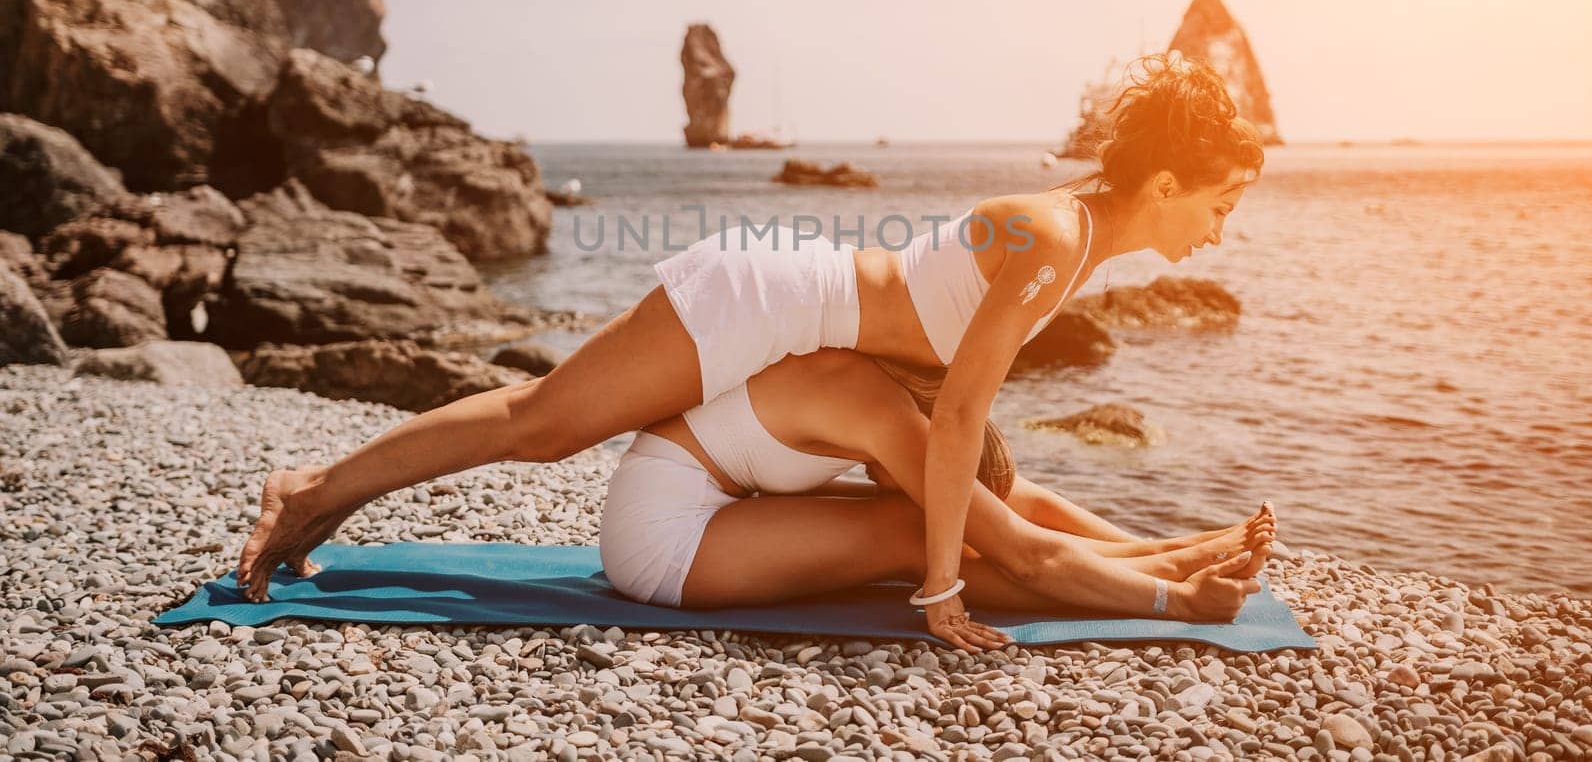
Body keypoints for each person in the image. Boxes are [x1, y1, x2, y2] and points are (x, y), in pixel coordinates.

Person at [237, 50, 1265, 652]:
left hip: (787, 302)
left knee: (542, 419)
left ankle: (323, 492)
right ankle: (314, 483)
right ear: (1167, 184)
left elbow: (956, 405)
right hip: (764, 304)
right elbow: (957, 414)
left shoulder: (1064, 231)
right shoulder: (1053, 238)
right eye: (1221, 203)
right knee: (543, 420)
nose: (1220, 228)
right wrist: (941, 580)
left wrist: (1156, 555)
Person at [600, 347, 1275, 642]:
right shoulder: (883, 413)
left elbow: (1003, 503)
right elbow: (1025, 555)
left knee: (961, 508)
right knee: (914, 531)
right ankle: (1162, 566)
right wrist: (1176, 602)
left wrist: (1173, 550)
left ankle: (1161, 547)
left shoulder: (900, 392)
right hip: (660, 537)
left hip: (701, 501)